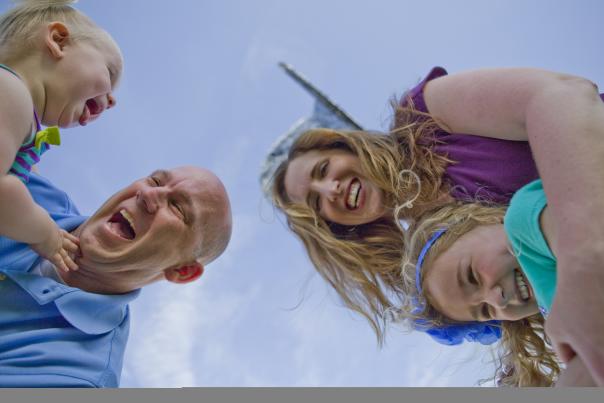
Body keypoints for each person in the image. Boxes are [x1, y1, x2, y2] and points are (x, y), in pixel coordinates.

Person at [271, 66, 604, 381]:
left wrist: (581, 254)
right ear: (335, 229)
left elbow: (561, 95)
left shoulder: (425, 118)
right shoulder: (438, 263)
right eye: (316, 205)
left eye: (323, 169)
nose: (331, 189)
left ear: (349, 148)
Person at [0, 166, 232, 387]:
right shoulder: (31, 188)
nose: (148, 194)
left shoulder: (76, 378)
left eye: (177, 207)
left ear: (182, 271)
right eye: (155, 180)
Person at [403, 180, 596, 386]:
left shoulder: (524, 221)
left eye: (472, 276)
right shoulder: (553, 314)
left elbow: (581, 237)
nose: (498, 300)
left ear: (482, 220)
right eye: (486, 311)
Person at [0, 0, 122, 272]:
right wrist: (45, 234)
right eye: (110, 73)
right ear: (58, 41)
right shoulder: (11, 92)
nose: (113, 100)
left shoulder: (17, 110)